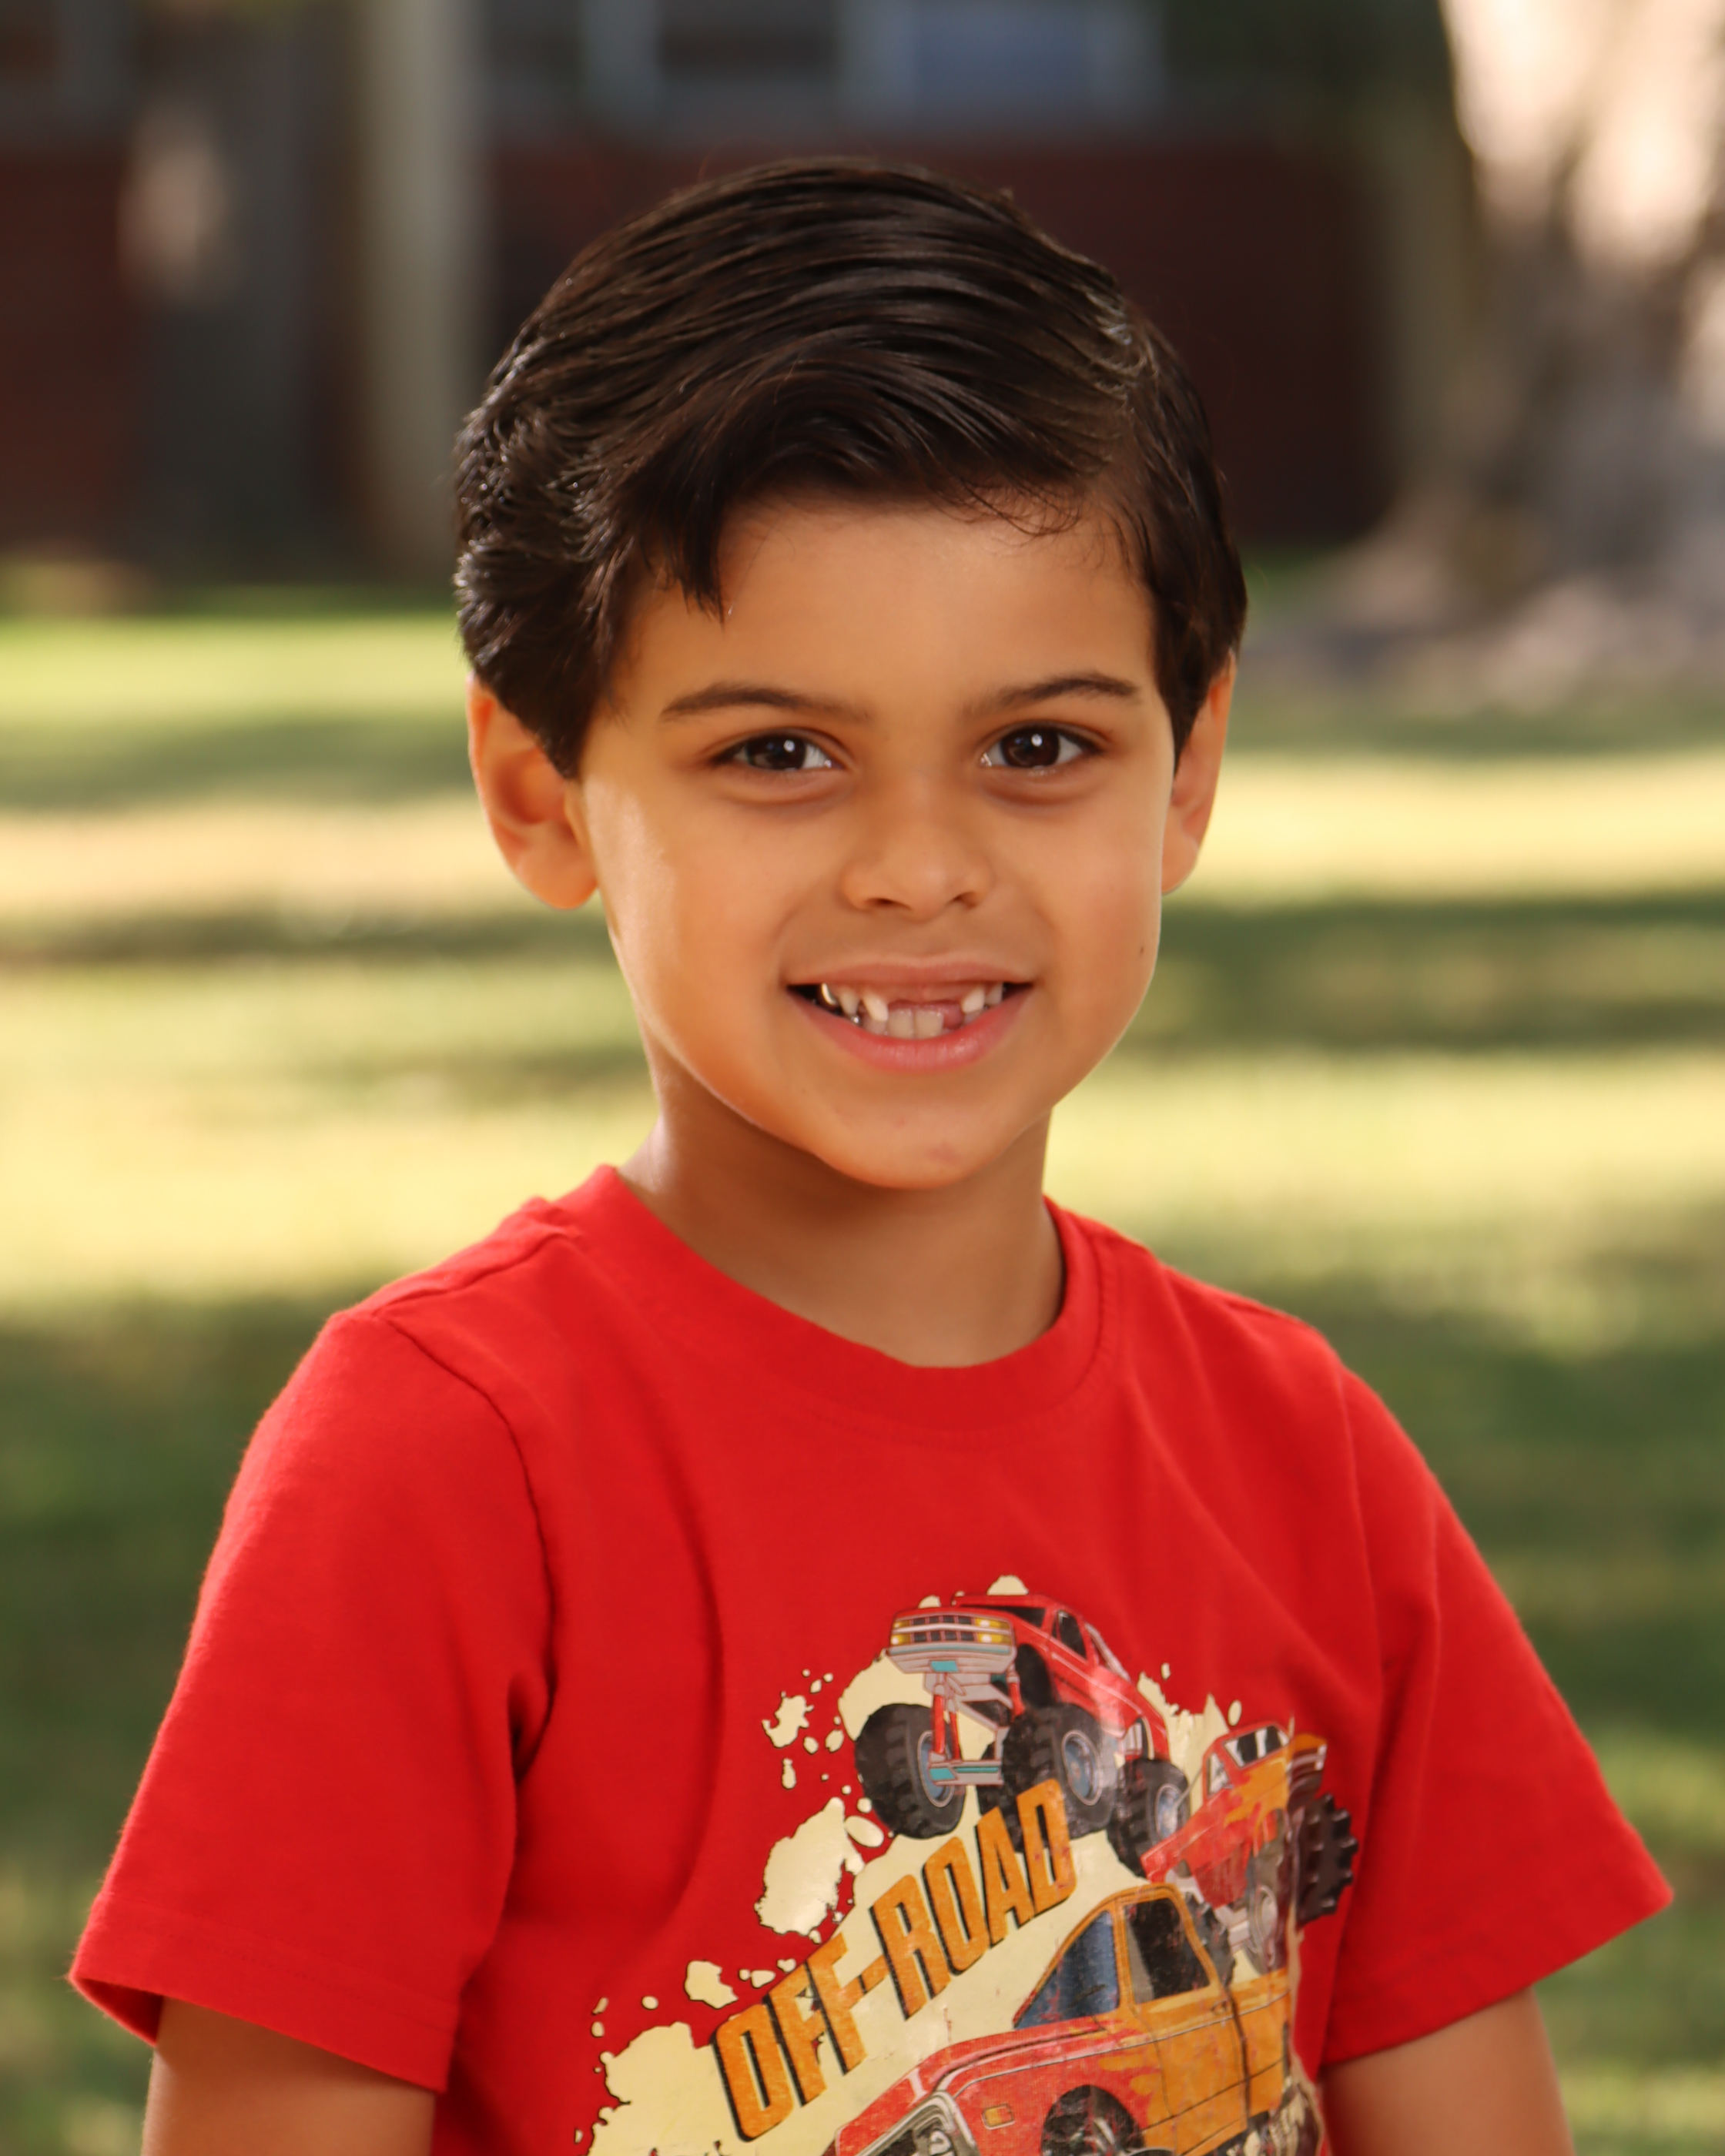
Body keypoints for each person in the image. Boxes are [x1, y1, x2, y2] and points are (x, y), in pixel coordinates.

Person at [73, 161, 1664, 2156]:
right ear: (540, 791)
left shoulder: (1307, 1468)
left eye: (1038, 748)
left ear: (1189, 772)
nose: (920, 867)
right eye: (779, 754)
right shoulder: (439, 1466)